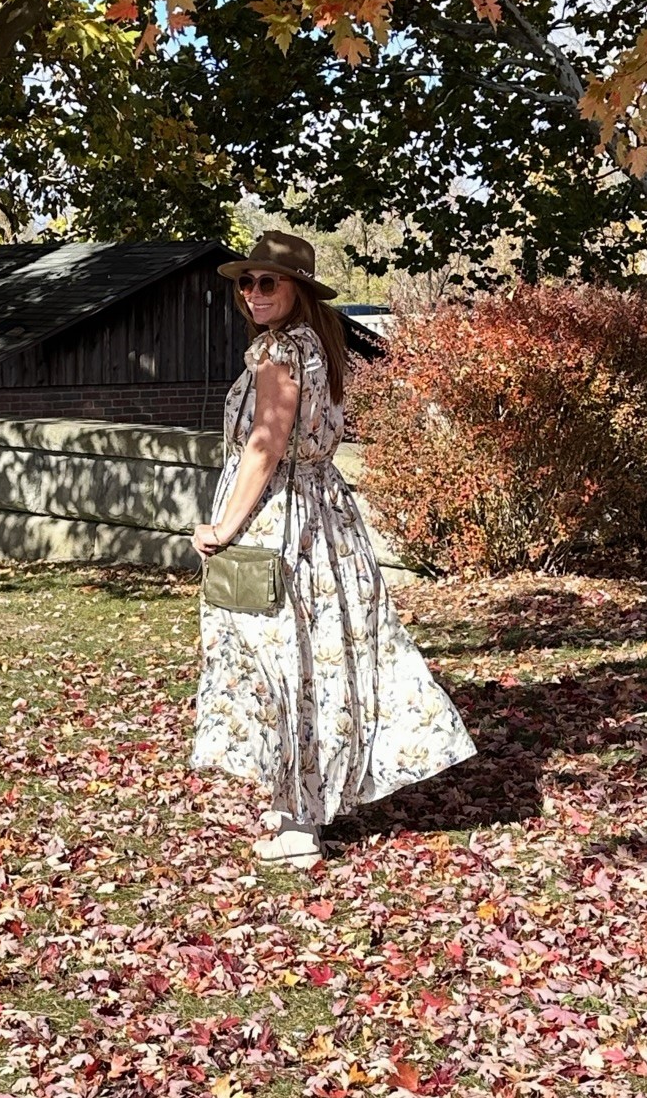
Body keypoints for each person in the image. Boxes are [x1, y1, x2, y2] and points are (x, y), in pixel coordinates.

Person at [190, 231, 476, 867]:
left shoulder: (281, 352)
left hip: (280, 519)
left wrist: (223, 528)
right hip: (321, 515)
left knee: (278, 658)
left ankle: (299, 824)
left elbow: (265, 445)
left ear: (297, 290)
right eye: (247, 282)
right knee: (314, 651)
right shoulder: (316, 345)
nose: (254, 292)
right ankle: (299, 801)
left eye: (269, 282)